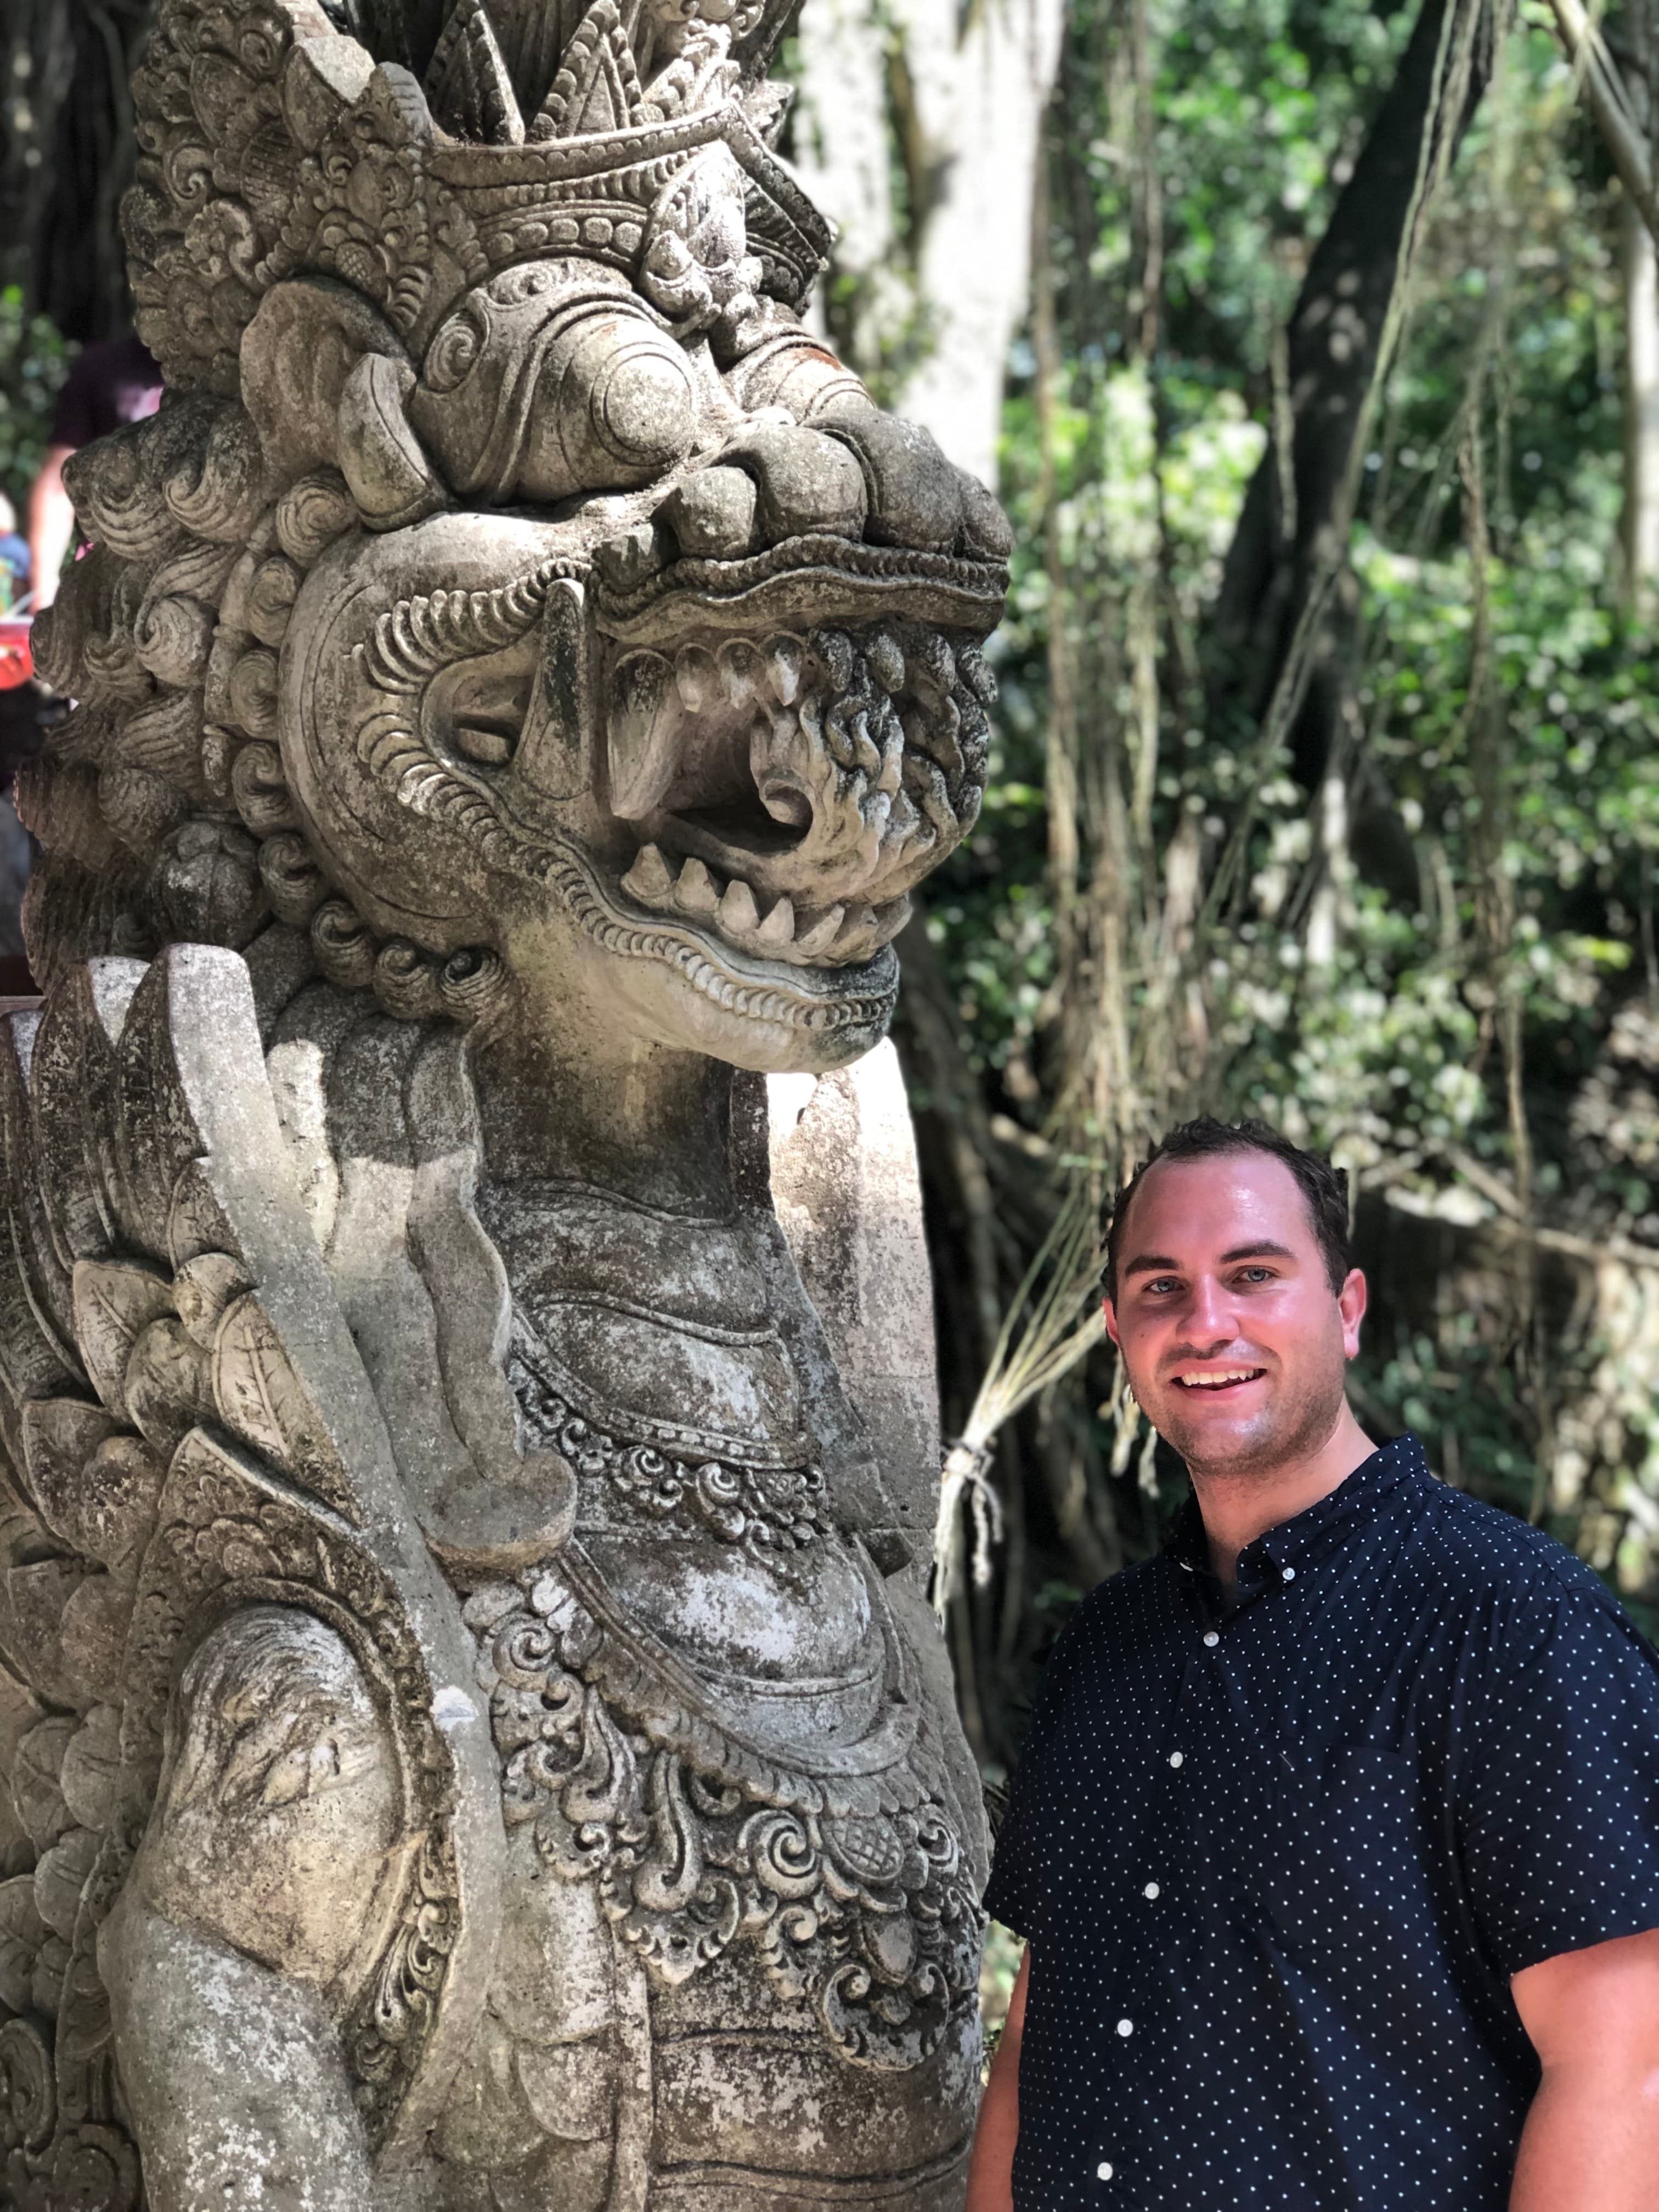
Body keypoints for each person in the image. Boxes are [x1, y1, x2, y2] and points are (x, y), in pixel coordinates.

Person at [968, 1116, 1659, 2212]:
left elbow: (1625, 2068)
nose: (1205, 1322)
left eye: (1253, 1275)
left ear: (1345, 1308)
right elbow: (1033, 2033)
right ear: (1114, 1328)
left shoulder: (1512, 1625)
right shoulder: (1103, 1645)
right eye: (1159, 1287)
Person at [26, 331, 161, 610]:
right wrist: (43, 589)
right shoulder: (102, 367)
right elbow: (60, 484)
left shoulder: (231, 365)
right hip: (112, 568)